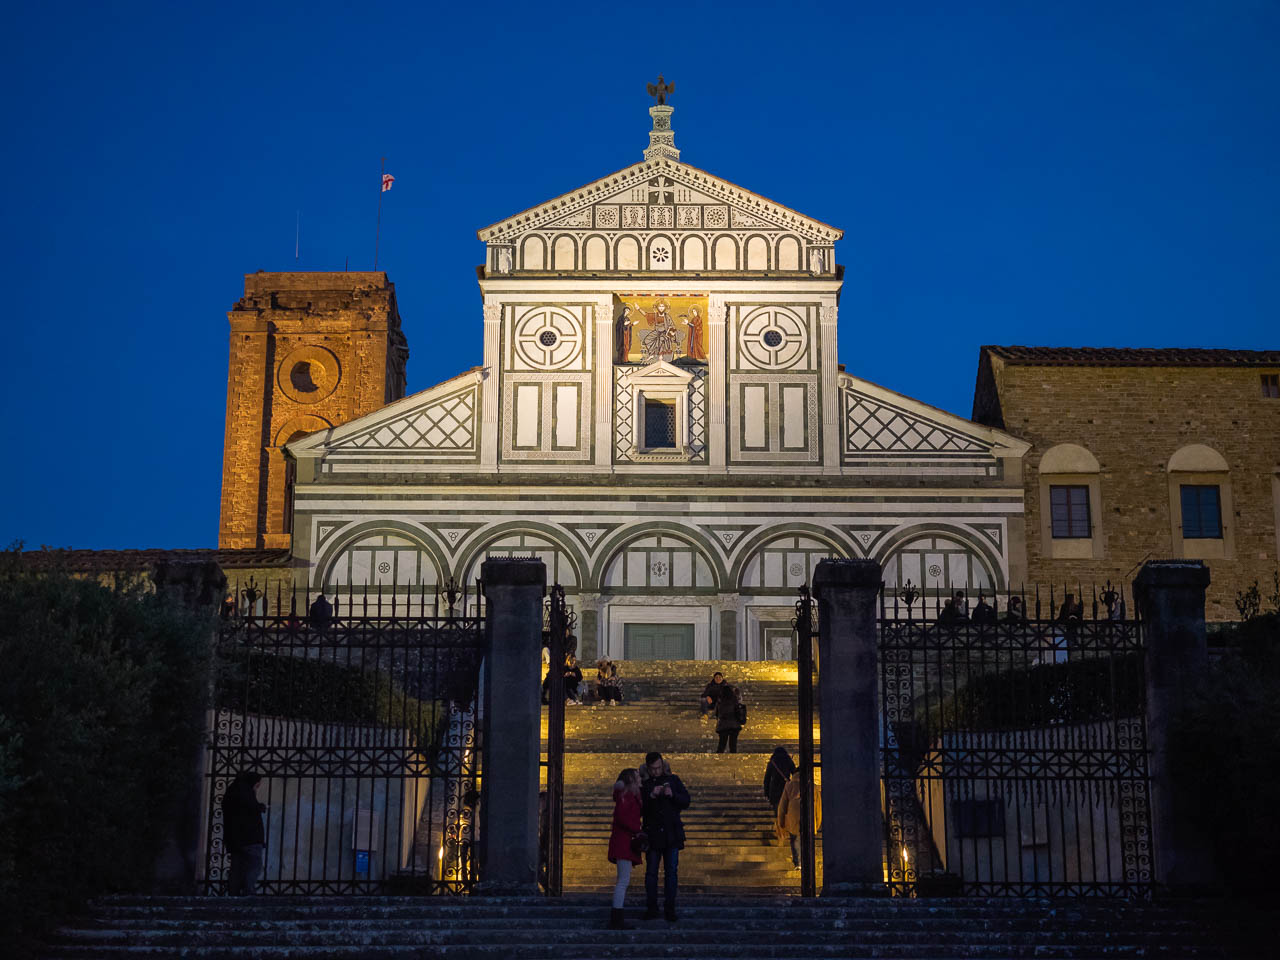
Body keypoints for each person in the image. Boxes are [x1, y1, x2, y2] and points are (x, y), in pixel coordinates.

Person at [640, 751, 690, 922]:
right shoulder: (644, 784)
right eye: (653, 769)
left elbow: (686, 800)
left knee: (671, 873)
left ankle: (670, 907)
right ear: (648, 768)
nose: (656, 771)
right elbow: (638, 808)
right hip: (653, 835)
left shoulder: (674, 780)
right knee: (651, 873)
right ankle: (651, 907)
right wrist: (651, 795)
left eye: (659, 768)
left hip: (671, 834)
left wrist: (672, 795)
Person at [606, 767, 643, 929]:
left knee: (623, 880)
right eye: (637, 777)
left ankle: (617, 917)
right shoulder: (626, 796)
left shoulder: (627, 796)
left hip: (623, 840)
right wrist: (637, 830)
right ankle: (616, 918)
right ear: (631, 780)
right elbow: (622, 817)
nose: (640, 778)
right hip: (624, 842)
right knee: (623, 881)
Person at [223, 770, 266, 895]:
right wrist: (261, 807)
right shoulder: (246, 792)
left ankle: (233, 893)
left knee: (236, 867)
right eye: (257, 785)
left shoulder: (232, 791)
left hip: (234, 838)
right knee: (254, 866)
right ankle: (248, 891)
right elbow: (250, 808)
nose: (257, 788)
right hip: (250, 838)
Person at [776, 764, 822, 871]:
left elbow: (782, 806)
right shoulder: (813, 786)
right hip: (809, 814)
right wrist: (817, 822)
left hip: (793, 816)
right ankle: (808, 861)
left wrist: (781, 821)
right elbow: (819, 807)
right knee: (808, 839)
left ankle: (798, 862)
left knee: (795, 839)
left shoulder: (789, 785)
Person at [763, 747, 797, 817]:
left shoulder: (772, 762)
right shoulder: (788, 760)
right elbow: (795, 774)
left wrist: (766, 793)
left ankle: (779, 824)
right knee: (787, 810)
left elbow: (767, 779)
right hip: (786, 788)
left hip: (774, 790)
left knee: (777, 811)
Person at [714, 684, 742, 754]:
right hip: (734, 725)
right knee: (733, 746)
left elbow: (717, 714)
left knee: (721, 746)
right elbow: (739, 712)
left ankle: (718, 760)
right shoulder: (735, 701)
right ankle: (733, 761)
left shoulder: (720, 702)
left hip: (723, 725)